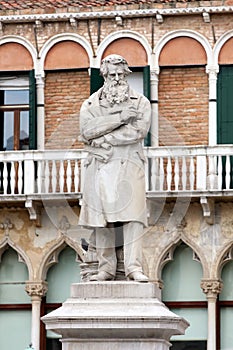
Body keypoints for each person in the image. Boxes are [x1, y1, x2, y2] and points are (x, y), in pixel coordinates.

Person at [79, 54, 151, 282]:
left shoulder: (140, 102)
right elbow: (87, 131)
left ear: (127, 74)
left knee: (133, 217)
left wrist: (104, 136)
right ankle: (106, 268)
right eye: (112, 74)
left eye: (121, 74)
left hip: (129, 163)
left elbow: (137, 131)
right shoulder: (90, 103)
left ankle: (133, 267)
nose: (117, 78)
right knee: (102, 219)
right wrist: (120, 118)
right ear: (104, 76)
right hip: (100, 166)